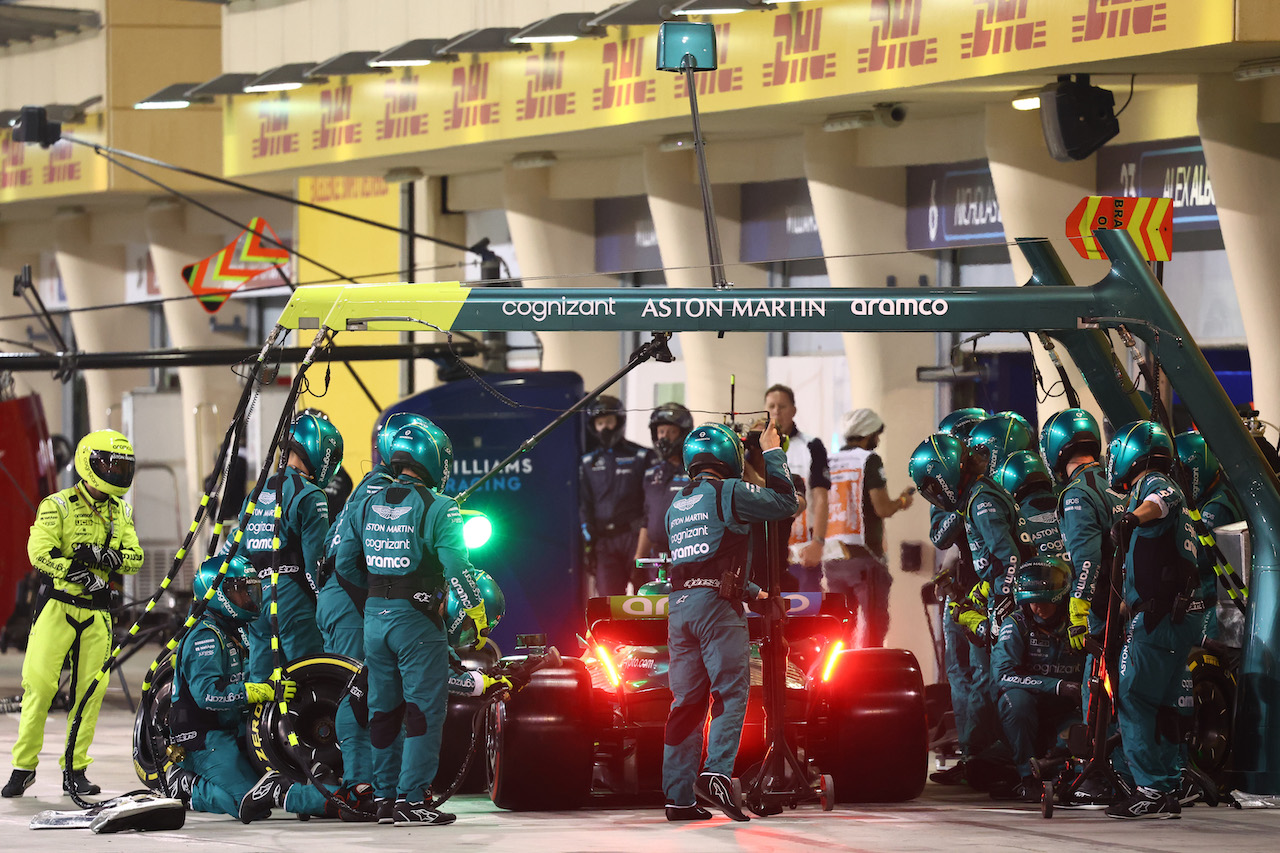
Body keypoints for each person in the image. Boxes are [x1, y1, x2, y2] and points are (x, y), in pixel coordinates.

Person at [348, 418, 489, 826]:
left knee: (383, 711)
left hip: (375, 622)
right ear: (434, 459)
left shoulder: (364, 505)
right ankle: (413, 800)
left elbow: (345, 564)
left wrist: (375, 602)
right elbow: (458, 566)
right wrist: (475, 613)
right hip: (417, 622)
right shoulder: (440, 507)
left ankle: (385, 801)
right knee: (423, 711)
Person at [662, 421, 797, 823]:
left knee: (685, 705)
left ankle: (679, 799)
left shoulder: (676, 505)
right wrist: (773, 452)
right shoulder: (729, 491)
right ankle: (716, 773)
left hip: (680, 608)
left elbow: (703, 563)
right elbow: (784, 503)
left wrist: (755, 593)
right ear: (730, 458)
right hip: (717, 611)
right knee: (730, 694)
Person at [4, 429, 143, 799]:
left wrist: (106, 558)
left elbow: (135, 558)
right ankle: (23, 768)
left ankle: (75, 770)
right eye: (109, 463)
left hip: (97, 614)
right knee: (40, 686)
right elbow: (40, 553)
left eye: (122, 466)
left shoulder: (122, 511)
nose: (115, 471)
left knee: (90, 693)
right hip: (57, 607)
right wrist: (79, 572)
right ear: (88, 462)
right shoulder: (57, 505)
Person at [163, 554, 333, 823]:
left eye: (249, 588)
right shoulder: (205, 636)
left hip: (234, 729)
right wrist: (259, 691)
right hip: (204, 737)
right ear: (218, 593)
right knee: (247, 802)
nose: (248, 597)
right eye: (239, 589)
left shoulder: (235, 630)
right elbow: (207, 695)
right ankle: (185, 785)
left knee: (273, 782)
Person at [316, 412, 425, 798]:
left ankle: (385, 783)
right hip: (350, 600)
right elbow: (347, 561)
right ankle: (358, 784)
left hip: (344, 596)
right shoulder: (379, 492)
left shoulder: (370, 487)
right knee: (358, 692)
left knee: (378, 692)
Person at [1104, 420, 1202, 819]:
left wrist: (1131, 519)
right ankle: (1166, 785)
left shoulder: (1156, 485)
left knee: (1133, 698)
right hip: (1167, 616)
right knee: (1160, 704)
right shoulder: (1156, 495)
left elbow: (1161, 500)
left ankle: (1150, 790)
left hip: (1159, 620)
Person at [1039, 407, 1124, 809]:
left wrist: (1078, 610)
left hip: (1105, 609)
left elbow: (1086, 558)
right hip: (1136, 604)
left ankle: (1101, 777)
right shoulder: (1119, 481)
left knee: (1099, 688)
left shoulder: (1077, 495)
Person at [242, 412, 343, 683]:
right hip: (294, 598)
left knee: (261, 683)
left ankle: (259, 726)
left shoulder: (256, 493)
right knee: (310, 678)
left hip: (257, 598)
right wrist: (329, 605)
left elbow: (239, 553)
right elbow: (315, 566)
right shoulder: (310, 495)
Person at [927, 407, 989, 786]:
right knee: (960, 674)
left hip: (990, 590)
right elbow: (940, 536)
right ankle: (972, 754)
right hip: (961, 589)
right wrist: (959, 500)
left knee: (985, 674)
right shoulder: (949, 489)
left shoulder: (997, 481)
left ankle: (986, 755)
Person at [990, 557, 1085, 802]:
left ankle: (1082, 776)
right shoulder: (1015, 624)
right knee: (1016, 703)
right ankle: (1027, 779)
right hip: (1027, 708)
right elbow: (1003, 676)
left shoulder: (1079, 623)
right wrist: (1058, 686)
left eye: (1044, 601)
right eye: (1032, 601)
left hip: (1069, 708)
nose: (1038, 608)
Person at [825, 408, 913, 648]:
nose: (878, 439)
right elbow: (882, 508)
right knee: (874, 627)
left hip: (833, 557)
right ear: (868, 433)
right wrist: (903, 501)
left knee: (840, 626)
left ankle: (838, 679)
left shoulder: (829, 460)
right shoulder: (869, 460)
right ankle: (866, 678)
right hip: (865, 558)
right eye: (876, 434)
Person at [579, 395, 654, 595]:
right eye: (600, 423)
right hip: (604, 542)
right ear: (593, 426)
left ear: (619, 422)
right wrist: (588, 540)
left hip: (635, 537)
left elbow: (651, 501)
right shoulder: (588, 462)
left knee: (647, 596)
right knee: (608, 602)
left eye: (609, 421)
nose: (605, 427)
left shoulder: (641, 455)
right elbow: (584, 504)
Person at [1173, 430, 1243, 641]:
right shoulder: (1218, 493)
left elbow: (1199, 557)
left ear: (1198, 470)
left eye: (1184, 475)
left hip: (1214, 602)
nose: (1179, 481)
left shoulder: (1215, 507)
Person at [764, 384, 831, 590]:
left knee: (806, 618)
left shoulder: (812, 445)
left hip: (801, 553)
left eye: (782, 406)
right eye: (771, 406)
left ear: (793, 410)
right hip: (766, 554)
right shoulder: (755, 447)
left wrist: (818, 542)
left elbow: (821, 498)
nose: (776, 411)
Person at [634, 403, 694, 571]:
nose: (665, 437)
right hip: (656, 559)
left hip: (687, 556)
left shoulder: (695, 472)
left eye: (671, 432)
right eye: (661, 432)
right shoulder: (651, 474)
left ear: (682, 434)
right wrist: (638, 558)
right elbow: (648, 519)